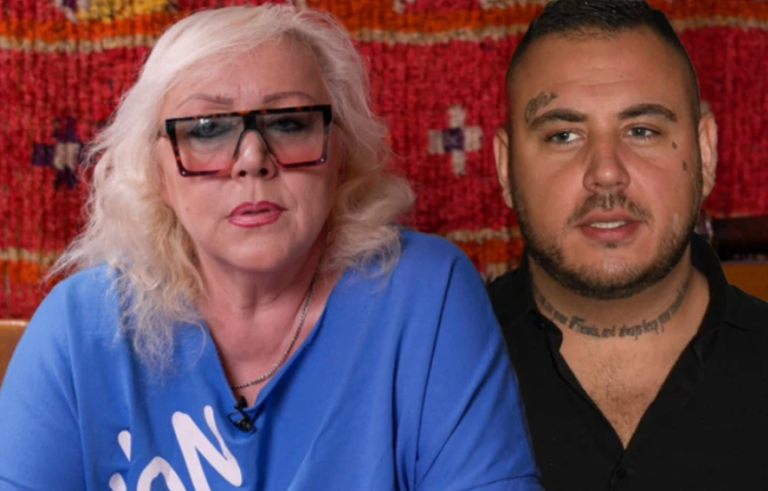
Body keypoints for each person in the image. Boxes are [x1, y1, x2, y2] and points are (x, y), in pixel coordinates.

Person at [0, 5, 542, 490]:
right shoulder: (77, 327)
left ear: (340, 155)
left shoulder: (427, 290)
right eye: (207, 128)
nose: (252, 159)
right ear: (156, 170)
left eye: (288, 123)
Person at [489, 0, 768, 490]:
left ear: (706, 153)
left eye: (641, 131)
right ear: (505, 168)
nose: (605, 173)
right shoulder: (423, 377)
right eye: (563, 135)